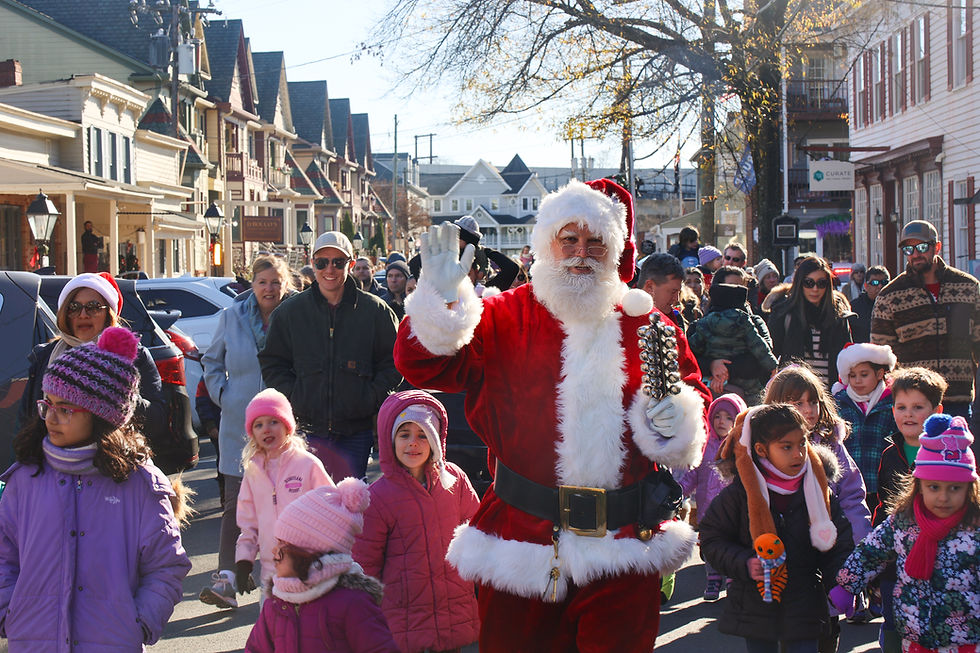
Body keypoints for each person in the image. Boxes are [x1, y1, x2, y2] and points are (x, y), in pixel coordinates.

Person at [394, 178, 710, 652]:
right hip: (522, 542)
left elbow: (694, 398)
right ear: (548, 243)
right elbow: (423, 366)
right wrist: (439, 306)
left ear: (614, 250)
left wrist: (676, 419)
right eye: (570, 239)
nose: (582, 253)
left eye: (596, 241)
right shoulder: (501, 315)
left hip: (623, 546)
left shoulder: (649, 325)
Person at [0, 327, 191, 650]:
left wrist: (140, 622)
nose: (51, 418)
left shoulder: (139, 484)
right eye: (48, 404)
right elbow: (4, 556)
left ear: (102, 416)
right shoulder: (25, 478)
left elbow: (166, 566)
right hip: (33, 641)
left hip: (112, 641)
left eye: (66, 409)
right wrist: (8, 611)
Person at [699, 404, 854, 653]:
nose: (798, 454)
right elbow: (712, 538)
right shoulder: (741, 493)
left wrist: (840, 582)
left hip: (805, 602)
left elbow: (840, 542)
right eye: (786, 447)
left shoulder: (817, 489)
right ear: (761, 449)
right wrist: (745, 562)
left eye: (802, 443)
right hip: (756, 604)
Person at [260, 231, 401, 481]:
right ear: (313, 263)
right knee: (308, 498)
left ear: (351, 264)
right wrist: (296, 396)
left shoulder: (376, 311)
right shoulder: (290, 313)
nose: (330, 269)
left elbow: (394, 363)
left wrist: (369, 397)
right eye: (322, 262)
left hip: (355, 431)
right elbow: (272, 362)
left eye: (338, 262)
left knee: (350, 499)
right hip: (305, 429)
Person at [833, 414, 979, 653]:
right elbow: (871, 551)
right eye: (934, 487)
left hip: (964, 641)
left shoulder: (974, 530)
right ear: (919, 485)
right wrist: (847, 585)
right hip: (914, 636)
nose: (943, 497)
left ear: (970, 489)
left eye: (955, 488)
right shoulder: (903, 522)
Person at [352, 390, 480, 653]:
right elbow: (366, 562)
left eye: (423, 434)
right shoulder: (378, 497)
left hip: (453, 611)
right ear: (390, 440)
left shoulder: (454, 481)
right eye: (404, 434)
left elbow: (477, 532)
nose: (413, 443)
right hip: (405, 621)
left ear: (436, 439)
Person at [201, 255, 295, 610]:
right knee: (235, 504)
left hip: (283, 426)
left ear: (285, 285)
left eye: (275, 282)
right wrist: (223, 396)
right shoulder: (232, 316)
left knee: (283, 503)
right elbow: (212, 361)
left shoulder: (294, 318)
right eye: (262, 282)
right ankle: (227, 578)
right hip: (238, 423)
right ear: (252, 285)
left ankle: (283, 579)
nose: (269, 289)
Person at [245, 479, 399, 653]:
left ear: (309, 552)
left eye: (283, 544)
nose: (275, 550)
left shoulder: (353, 603)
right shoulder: (276, 603)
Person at [18, 272, 167, 433]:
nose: (83, 315)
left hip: (113, 447)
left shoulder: (135, 357)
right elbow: (26, 423)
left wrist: (119, 390)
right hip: (53, 448)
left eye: (93, 307)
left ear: (108, 314)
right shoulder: (45, 357)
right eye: (74, 307)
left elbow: (157, 420)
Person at [871, 220, 980, 422]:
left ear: (936, 247)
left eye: (922, 247)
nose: (915, 254)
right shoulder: (890, 296)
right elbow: (881, 356)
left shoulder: (968, 287)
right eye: (908, 249)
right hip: (913, 402)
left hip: (959, 400)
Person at [235, 388, 334, 603]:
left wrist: (328, 551)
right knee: (271, 622)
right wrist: (244, 560)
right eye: (258, 425)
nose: (266, 429)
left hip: (309, 567)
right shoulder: (253, 472)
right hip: (271, 572)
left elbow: (332, 508)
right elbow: (248, 523)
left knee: (309, 622)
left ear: (287, 425)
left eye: (273, 422)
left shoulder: (307, 464)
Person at [872, 367, 946, 652]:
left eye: (918, 407)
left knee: (936, 628)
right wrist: (876, 566)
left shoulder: (950, 453)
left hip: (939, 563)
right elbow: (882, 509)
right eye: (901, 407)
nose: (909, 414)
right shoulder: (890, 454)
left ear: (937, 411)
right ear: (892, 411)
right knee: (893, 625)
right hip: (896, 564)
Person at [678, 393, 748, 601]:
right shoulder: (705, 445)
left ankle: (732, 578)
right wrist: (679, 490)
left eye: (728, 417)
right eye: (717, 416)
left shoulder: (740, 448)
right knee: (710, 547)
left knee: (732, 545)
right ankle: (713, 578)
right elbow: (693, 473)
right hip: (708, 511)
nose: (721, 421)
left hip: (733, 512)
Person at [768, 256, 854, 389]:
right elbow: (771, 357)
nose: (815, 289)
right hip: (795, 393)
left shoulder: (839, 317)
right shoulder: (784, 314)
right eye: (809, 283)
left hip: (831, 394)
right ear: (799, 283)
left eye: (821, 283)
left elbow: (847, 361)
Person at [832, 343, 898, 512]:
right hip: (848, 484)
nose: (857, 380)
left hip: (882, 482)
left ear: (879, 374)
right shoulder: (840, 402)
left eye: (864, 374)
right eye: (852, 375)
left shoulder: (891, 403)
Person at [688, 282, 777, 403]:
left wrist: (712, 365)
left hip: (711, 382)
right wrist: (772, 366)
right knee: (753, 401)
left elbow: (692, 350)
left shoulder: (705, 323)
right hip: (746, 382)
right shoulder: (743, 320)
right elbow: (759, 346)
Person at [637, 252, 687, 328]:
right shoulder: (622, 319)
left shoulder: (676, 318)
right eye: (673, 291)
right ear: (650, 286)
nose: (676, 299)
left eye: (678, 292)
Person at [848, 265, 889, 343]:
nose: (880, 286)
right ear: (866, 286)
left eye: (884, 282)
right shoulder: (853, 309)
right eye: (875, 283)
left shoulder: (896, 306)